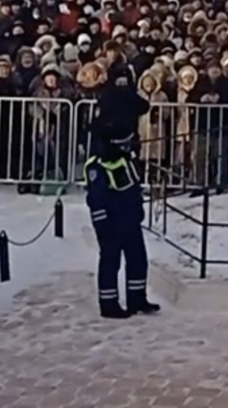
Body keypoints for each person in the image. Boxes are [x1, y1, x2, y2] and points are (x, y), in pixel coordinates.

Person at [85, 82, 159, 319]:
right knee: (110, 259)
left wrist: (137, 209)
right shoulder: (98, 165)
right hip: (111, 217)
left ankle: (137, 298)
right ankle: (109, 304)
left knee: (137, 257)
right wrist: (102, 221)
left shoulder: (126, 160)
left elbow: (132, 187)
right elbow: (96, 199)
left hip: (128, 214)